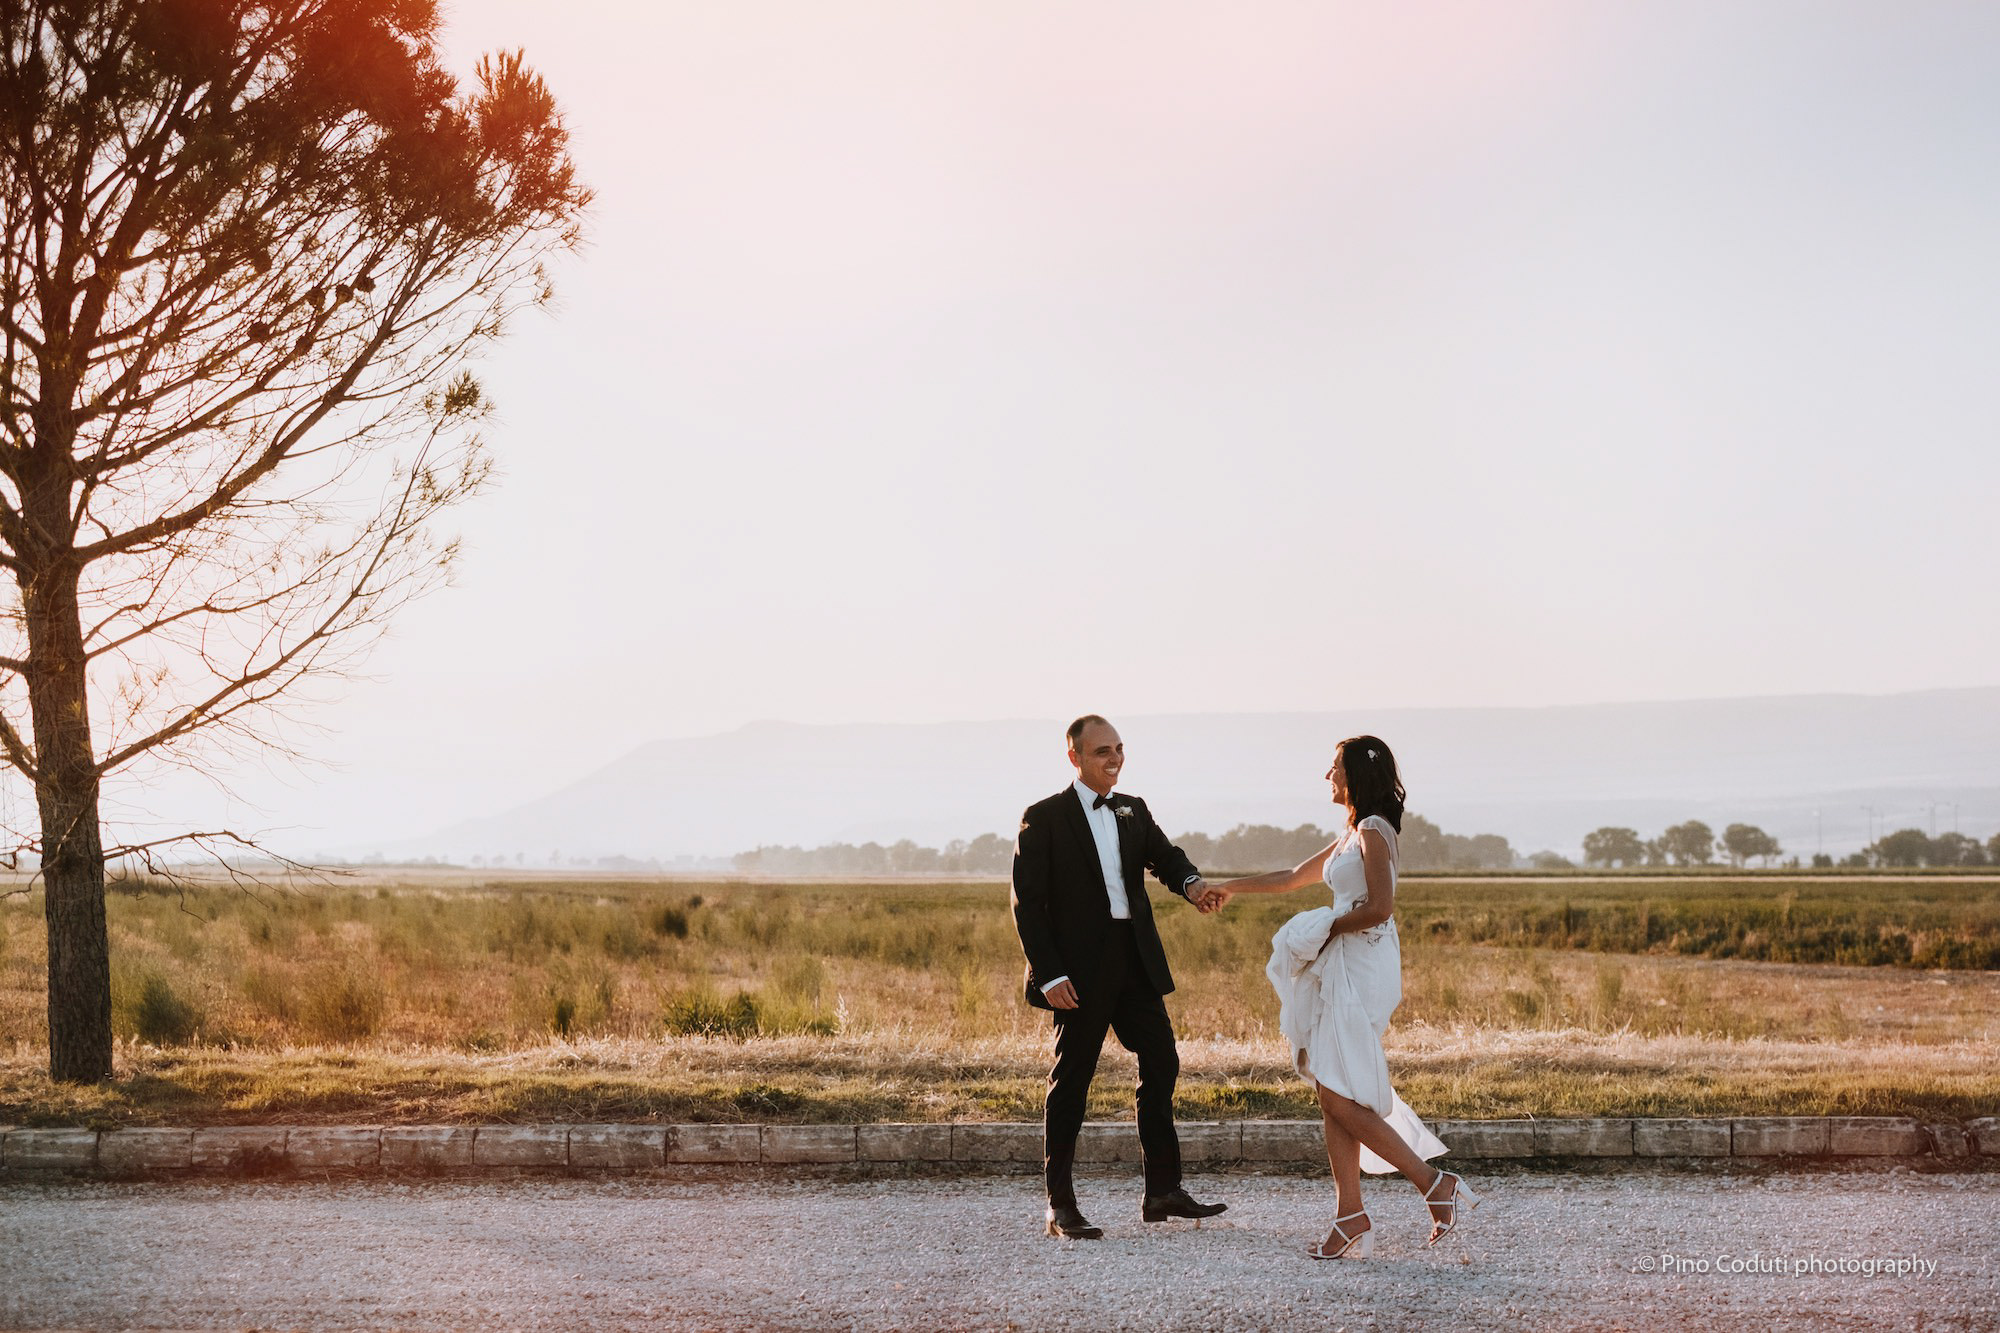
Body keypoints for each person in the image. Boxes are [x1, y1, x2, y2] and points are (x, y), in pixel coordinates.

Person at [1196, 734, 1479, 1258]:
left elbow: (1380, 908)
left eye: (1333, 769)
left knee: (1335, 1091)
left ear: (1355, 775)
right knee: (1332, 1086)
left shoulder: (1373, 829)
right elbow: (1291, 878)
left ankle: (1432, 1185)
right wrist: (1229, 884)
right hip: (1343, 959)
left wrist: (1325, 928)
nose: (1327, 777)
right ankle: (1352, 1216)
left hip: (1361, 961)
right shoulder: (1352, 831)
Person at [1009, 714, 1229, 1240]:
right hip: (1077, 974)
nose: (1115, 759)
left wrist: (1193, 884)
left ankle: (1162, 1190)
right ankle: (1059, 1204)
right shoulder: (1043, 818)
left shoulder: (1134, 809)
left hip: (1136, 962)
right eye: (1103, 751)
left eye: (1120, 749)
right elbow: (1027, 906)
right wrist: (1048, 974)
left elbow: (1165, 857)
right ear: (1076, 758)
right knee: (1072, 1082)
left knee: (1162, 1061)